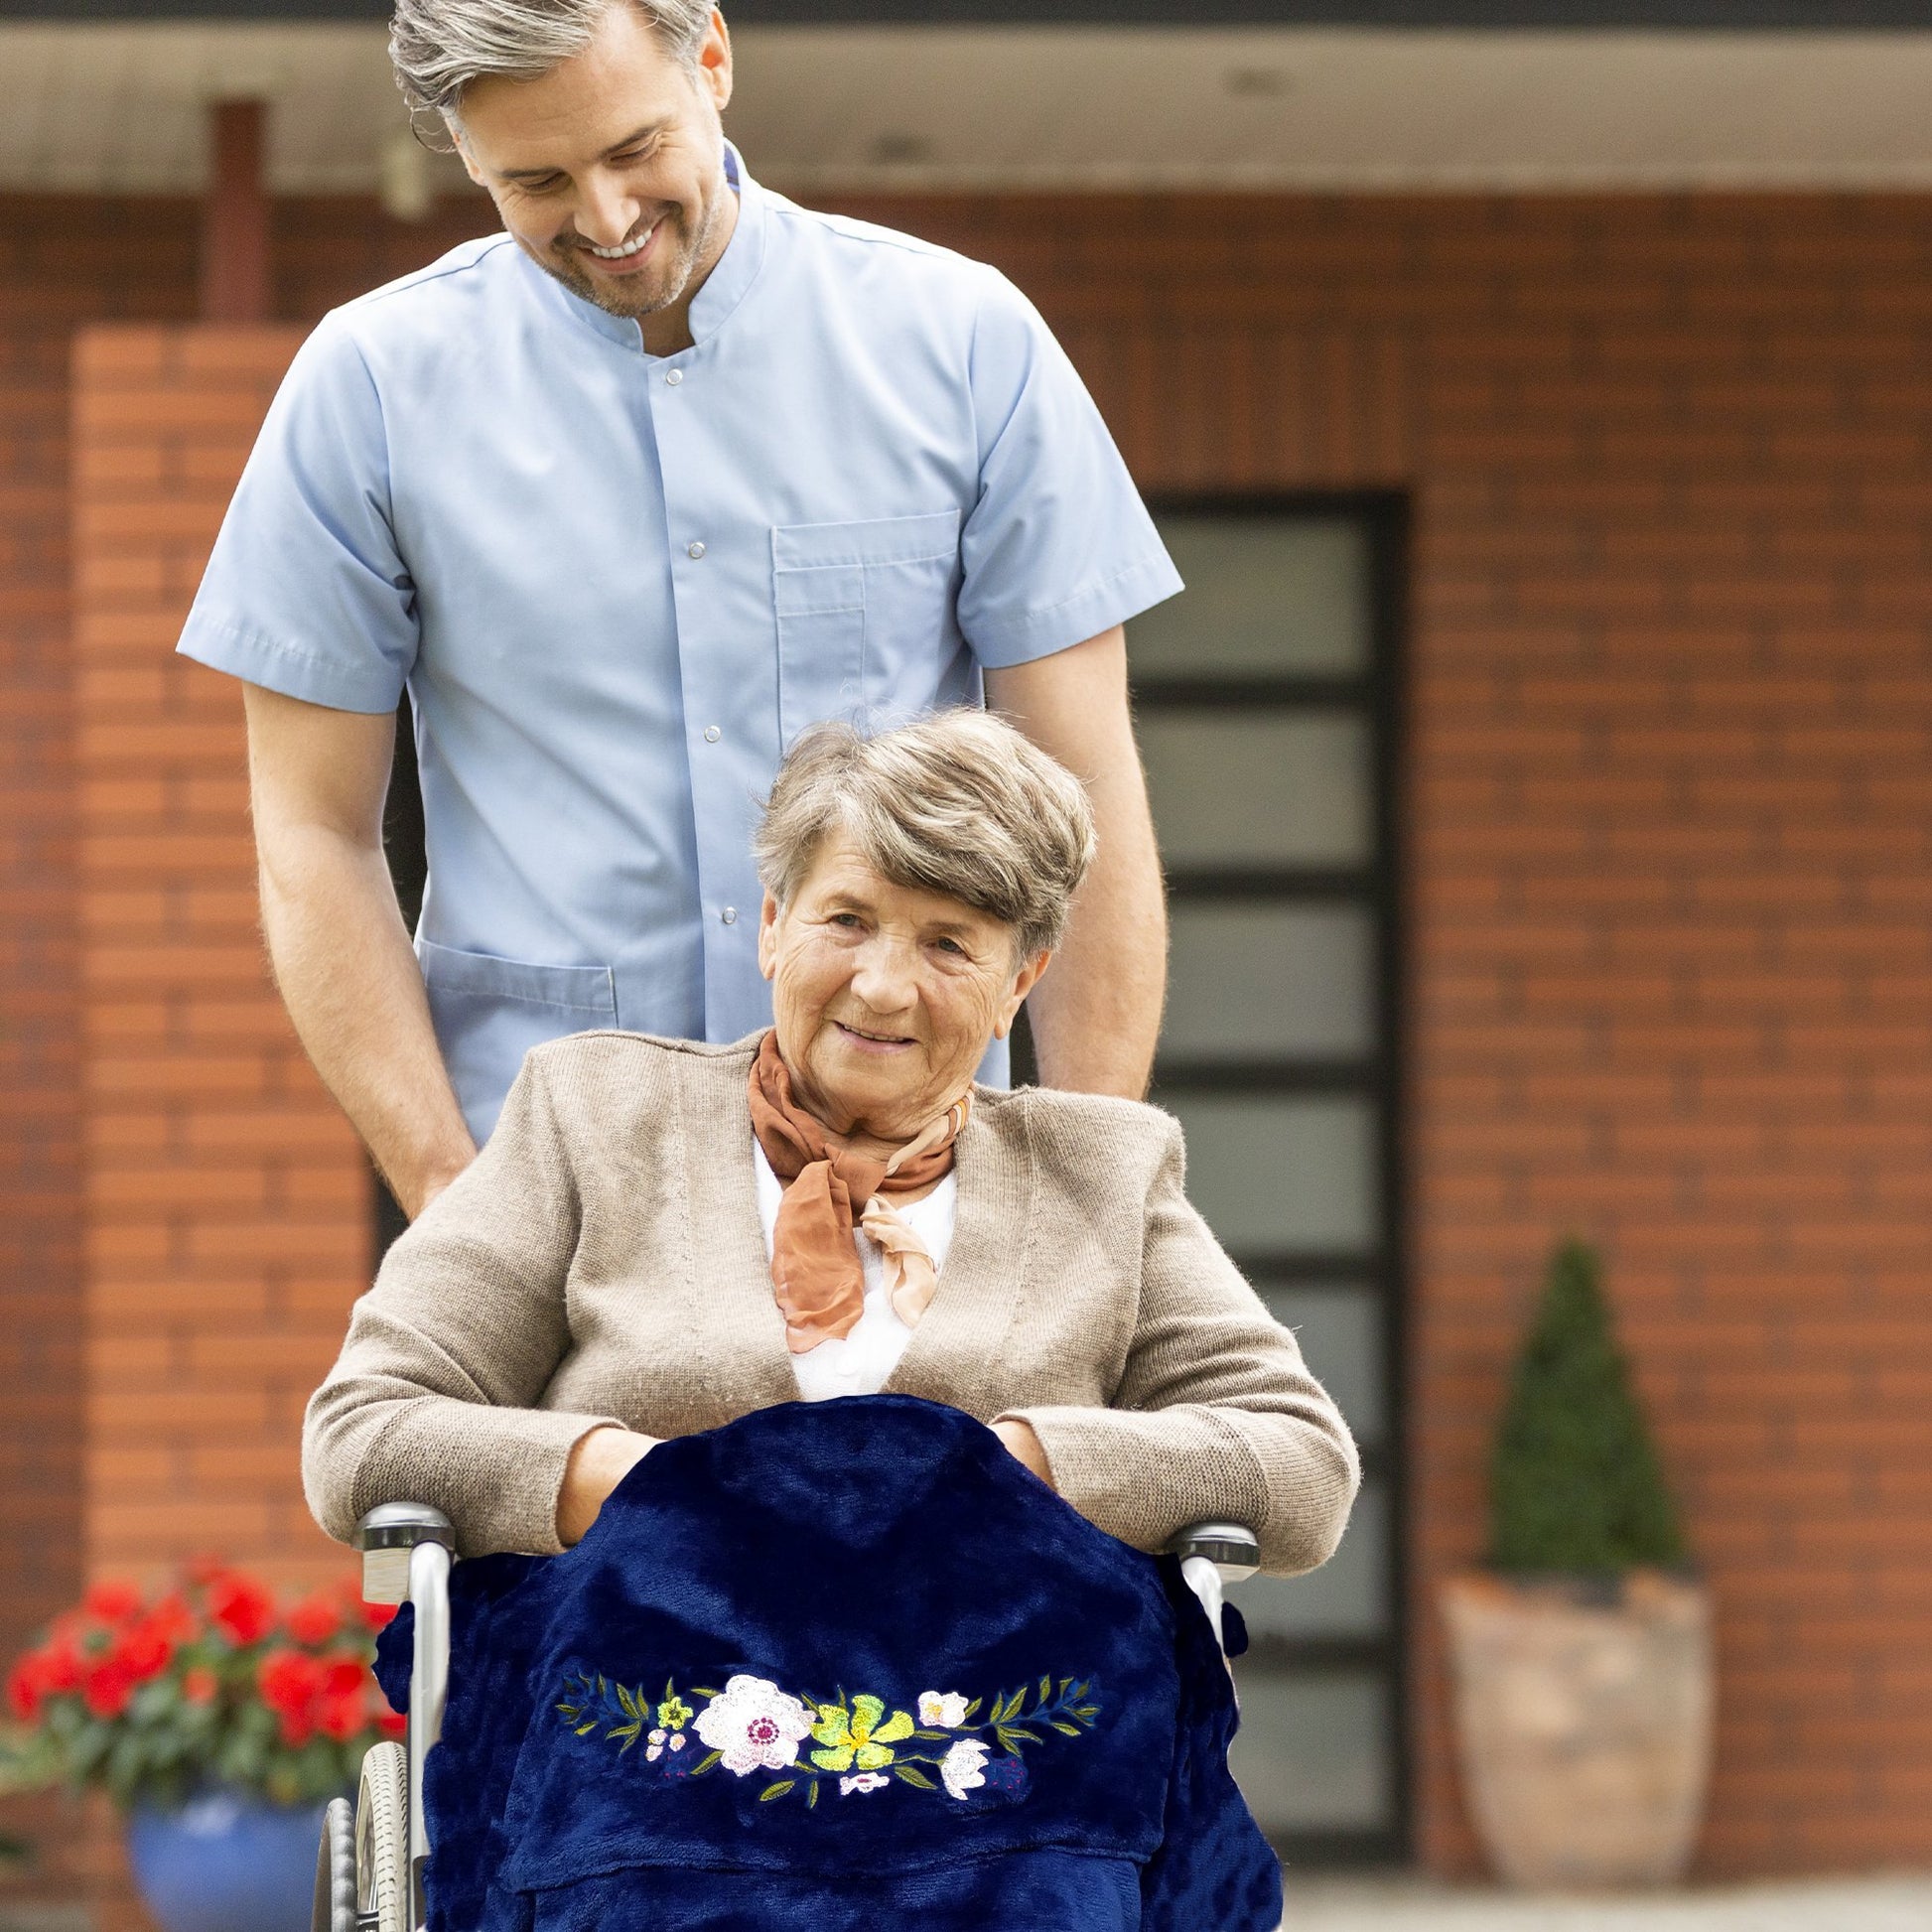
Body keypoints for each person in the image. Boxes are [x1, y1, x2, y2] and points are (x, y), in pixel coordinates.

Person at [178, 0, 1179, 1221]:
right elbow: (314, 834)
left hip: (923, 1185)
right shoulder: (369, 387)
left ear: (710, 57)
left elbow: (1086, 794)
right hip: (551, 1189)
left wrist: (1080, 1196)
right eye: (536, 179)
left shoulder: (966, 343)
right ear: (460, 150)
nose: (603, 220)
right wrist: (450, 1194)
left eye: (632, 150)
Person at [303, 712, 1358, 1574]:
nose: (882, 985)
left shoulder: (1102, 1174)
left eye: (948, 942)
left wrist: (998, 1467)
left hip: (997, 1747)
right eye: (846, 919)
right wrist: (648, 1482)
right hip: (641, 1721)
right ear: (772, 922)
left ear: (1018, 986)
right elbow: (365, 1428)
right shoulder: (593, 1115)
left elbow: (1298, 1465)